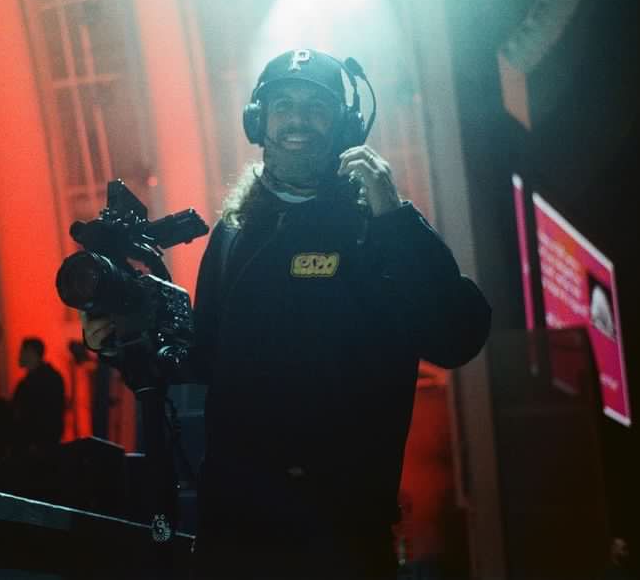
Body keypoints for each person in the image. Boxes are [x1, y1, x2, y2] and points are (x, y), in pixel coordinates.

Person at [84, 49, 491, 579]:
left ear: (345, 126)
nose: (297, 120)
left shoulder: (377, 227)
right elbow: (203, 362)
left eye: (315, 107)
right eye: (283, 106)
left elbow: (456, 336)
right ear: (259, 122)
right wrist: (125, 338)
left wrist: (396, 217)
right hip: (235, 534)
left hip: (341, 537)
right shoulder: (233, 235)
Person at [11, 336, 66, 451]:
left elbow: (50, 415)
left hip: (38, 446)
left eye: (22, 352)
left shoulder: (45, 381)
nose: (19, 356)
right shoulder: (50, 378)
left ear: (31, 353)